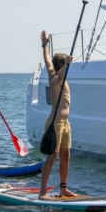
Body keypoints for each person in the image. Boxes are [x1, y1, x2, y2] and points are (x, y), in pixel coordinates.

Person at [39, 30, 76, 200]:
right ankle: (43, 191)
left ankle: (63, 188)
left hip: (66, 123)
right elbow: (59, 76)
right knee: (52, 157)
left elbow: (47, 60)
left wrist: (45, 44)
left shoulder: (55, 72)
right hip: (55, 123)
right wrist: (67, 66)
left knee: (66, 155)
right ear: (62, 66)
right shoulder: (55, 79)